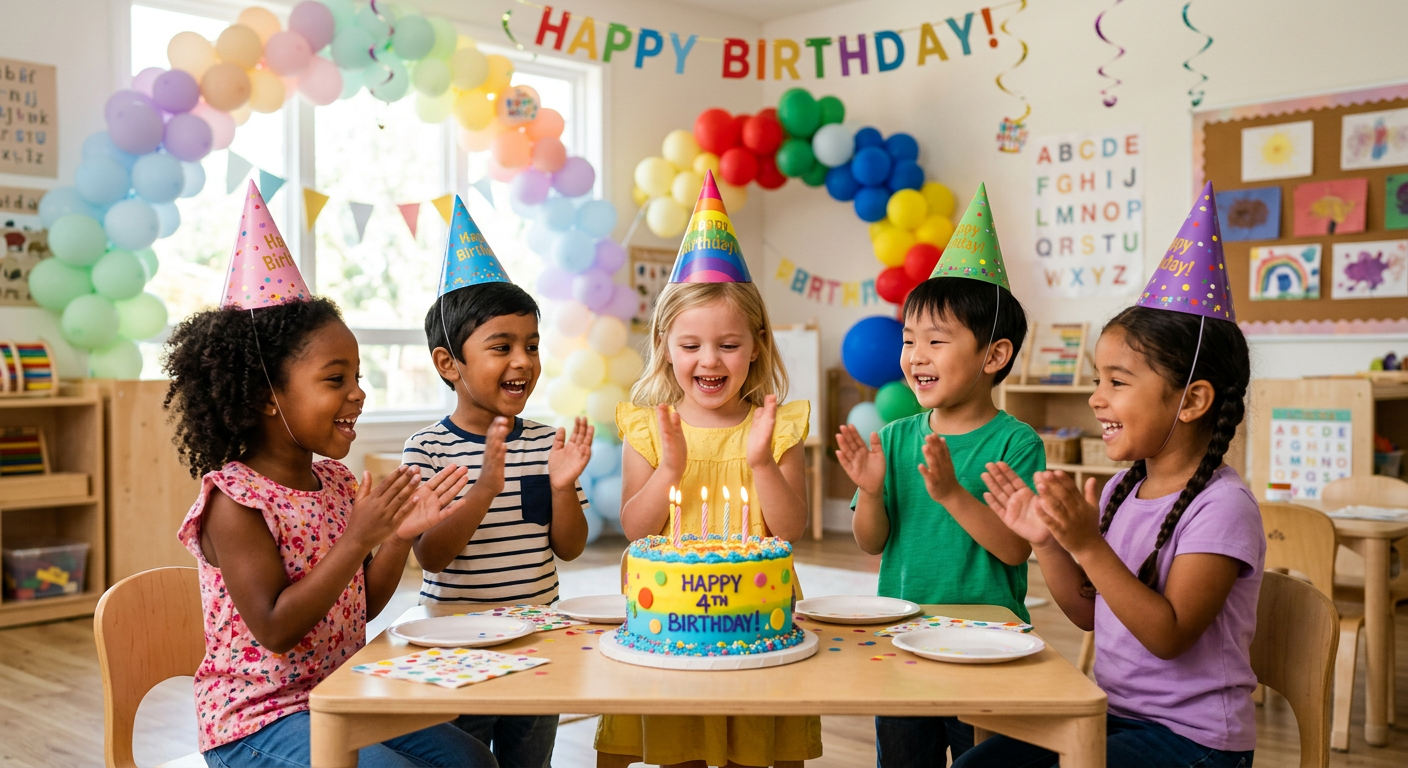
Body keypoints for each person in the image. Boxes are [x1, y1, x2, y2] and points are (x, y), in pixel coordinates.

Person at [167, 183, 496, 768]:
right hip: (256, 722)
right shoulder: (234, 500)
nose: (357, 394)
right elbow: (275, 628)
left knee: (472, 761)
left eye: (357, 376)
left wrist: (394, 537)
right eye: (335, 379)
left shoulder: (337, 484)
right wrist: (359, 539)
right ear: (269, 396)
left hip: (338, 696)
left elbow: (361, 608)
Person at [963, 183, 1261, 768]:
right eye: (1098, 380)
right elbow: (1089, 615)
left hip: (1195, 744)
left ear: (1193, 399)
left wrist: (1087, 544)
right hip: (1116, 715)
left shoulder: (1223, 507)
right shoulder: (1125, 490)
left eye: (1117, 382)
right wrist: (1046, 540)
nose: (1097, 399)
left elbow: (1168, 636)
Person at [595, 171, 820, 768]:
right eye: (691, 344)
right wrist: (669, 468)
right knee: (681, 749)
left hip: (758, 627)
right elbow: (638, 528)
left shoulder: (779, 425)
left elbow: (792, 528)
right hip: (670, 627)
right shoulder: (648, 427)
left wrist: (759, 464)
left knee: (757, 745)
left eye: (728, 344)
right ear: (666, 344)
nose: (709, 360)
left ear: (757, 346)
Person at [835, 185, 1044, 768]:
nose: (914, 355)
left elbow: (1013, 547)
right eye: (908, 340)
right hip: (903, 637)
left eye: (935, 340)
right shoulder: (898, 435)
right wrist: (873, 490)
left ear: (994, 356)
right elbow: (870, 541)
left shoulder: (1015, 442)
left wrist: (951, 493)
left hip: (989, 641)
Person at [405, 196, 592, 768]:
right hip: (458, 649)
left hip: (539, 640)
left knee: (530, 761)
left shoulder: (543, 443)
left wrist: (562, 488)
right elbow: (432, 557)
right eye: (502, 347)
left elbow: (571, 546)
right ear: (448, 363)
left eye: (532, 346)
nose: (524, 361)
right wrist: (482, 488)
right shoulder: (427, 449)